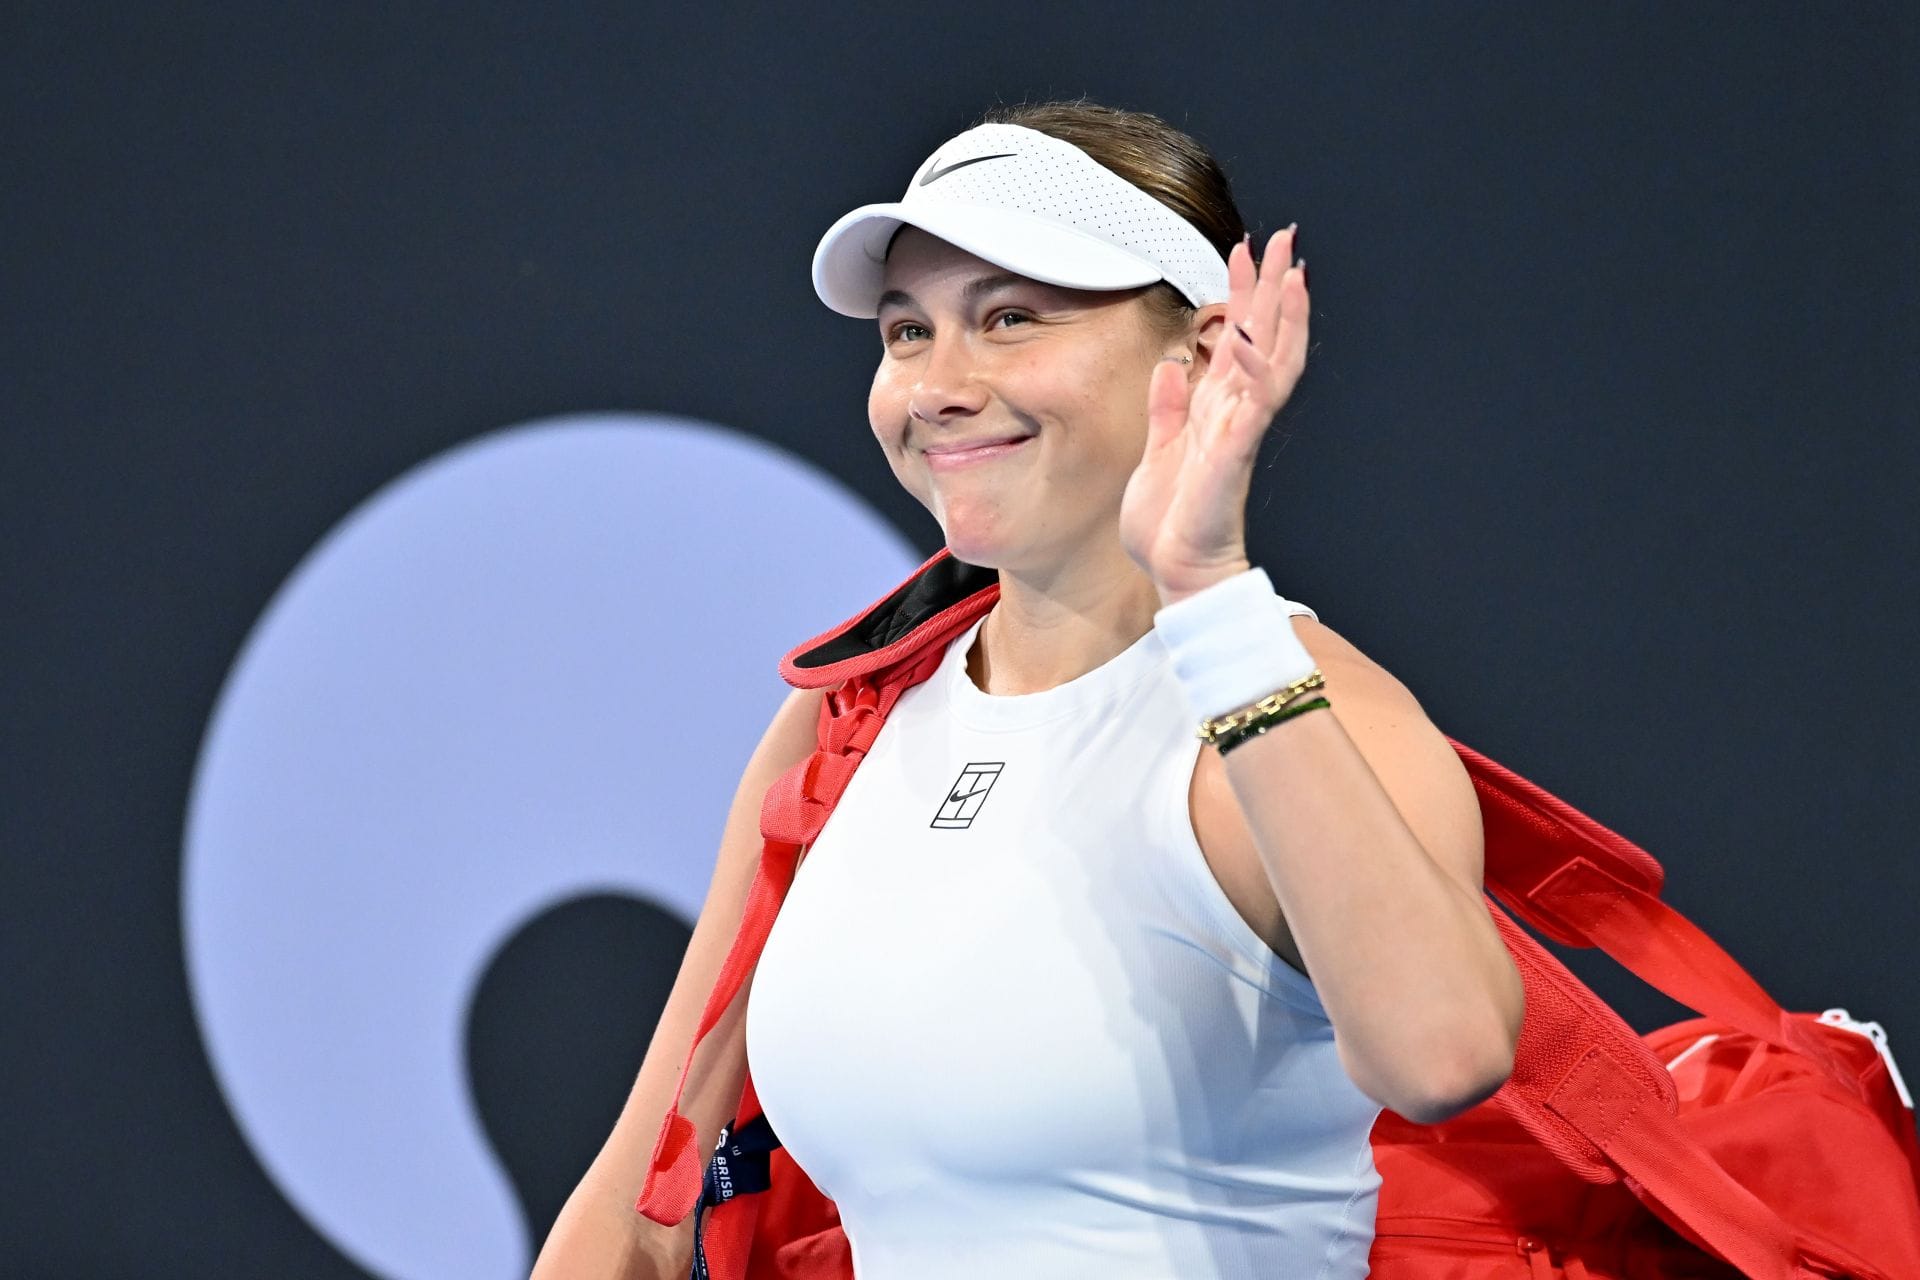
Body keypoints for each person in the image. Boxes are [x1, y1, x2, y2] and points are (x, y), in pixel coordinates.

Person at [532, 100, 1524, 1280]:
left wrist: (1206, 586)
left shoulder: (1307, 711)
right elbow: (644, 1202)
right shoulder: (839, 727)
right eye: (907, 331)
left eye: (1010, 319)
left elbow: (1445, 1053)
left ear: (1204, 353)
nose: (938, 385)